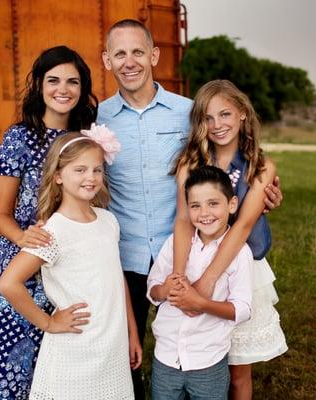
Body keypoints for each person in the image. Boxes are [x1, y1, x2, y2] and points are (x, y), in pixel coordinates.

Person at [97, 19, 283, 398]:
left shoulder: (188, 112)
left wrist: (266, 191)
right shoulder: (96, 120)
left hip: (203, 254)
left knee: (224, 358)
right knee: (126, 351)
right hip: (129, 252)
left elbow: (241, 202)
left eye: (138, 51)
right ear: (107, 61)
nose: (130, 61)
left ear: (154, 55)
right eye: (120, 53)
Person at [0, 46, 98, 399]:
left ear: (83, 88)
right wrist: (26, 238)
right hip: (23, 262)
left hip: (70, 263)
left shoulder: (85, 138)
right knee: (10, 369)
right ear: (39, 86)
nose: (63, 89)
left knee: (59, 368)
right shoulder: (20, 138)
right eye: (53, 80)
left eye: (73, 81)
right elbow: (1, 214)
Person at [0, 128, 141, 400]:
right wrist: (49, 324)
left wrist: (132, 332)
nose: (91, 177)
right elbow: (8, 284)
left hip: (111, 346)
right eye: (80, 170)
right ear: (59, 176)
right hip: (75, 350)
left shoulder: (108, 221)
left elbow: (116, 279)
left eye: (97, 170)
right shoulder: (54, 231)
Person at [171, 79, 288, 400]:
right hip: (197, 264)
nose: (217, 125)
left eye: (225, 114)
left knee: (238, 371)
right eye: (208, 118)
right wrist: (181, 275)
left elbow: (242, 227)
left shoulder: (261, 167)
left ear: (242, 114)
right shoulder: (190, 164)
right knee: (201, 362)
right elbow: (182, 220)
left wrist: (209, 282)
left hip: (240, 269)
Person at [147, 166, 254, 400]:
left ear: (232, 204)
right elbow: (153, 289)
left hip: (207, 361)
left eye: (213, 203)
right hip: (166, 357)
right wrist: (164, 289)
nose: (204, 213)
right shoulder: (176, 243)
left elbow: (243, 309)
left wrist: (200, 303)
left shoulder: (239, 253)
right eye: (195, 206)